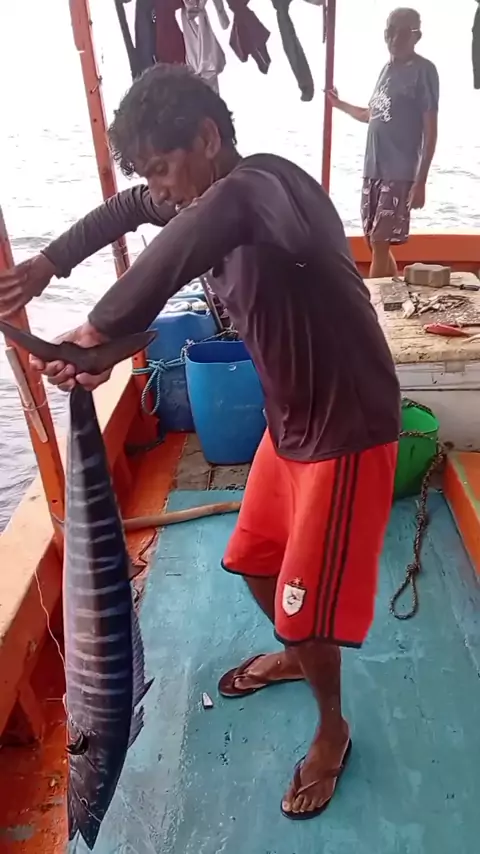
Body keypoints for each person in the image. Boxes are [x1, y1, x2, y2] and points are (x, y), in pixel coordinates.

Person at [0, 64, 401, 819]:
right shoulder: (193, 195)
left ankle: (333, 729)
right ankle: (298, 657)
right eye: (149, 173)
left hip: (347, 430)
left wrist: (101, 328)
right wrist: (49, 263)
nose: (160, 189)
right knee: (251, 561)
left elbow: (216, 214)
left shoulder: (270, 187)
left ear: (209, 139)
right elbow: (131, 208)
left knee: (305, 609)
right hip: (290, 426)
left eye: (163, 168)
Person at [328, 7, 439, 278]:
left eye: (403, 33)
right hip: (373, 169)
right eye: (390, 31)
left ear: (417, 36)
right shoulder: (386, 70)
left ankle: (374, 303)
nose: (394, 38)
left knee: (379, 241)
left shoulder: (423, 71)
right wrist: (339, 104)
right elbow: (371, 114)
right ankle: (394, 292)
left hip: (399, 171)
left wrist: (421, 182)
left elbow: (431, 130)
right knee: (372, 240)